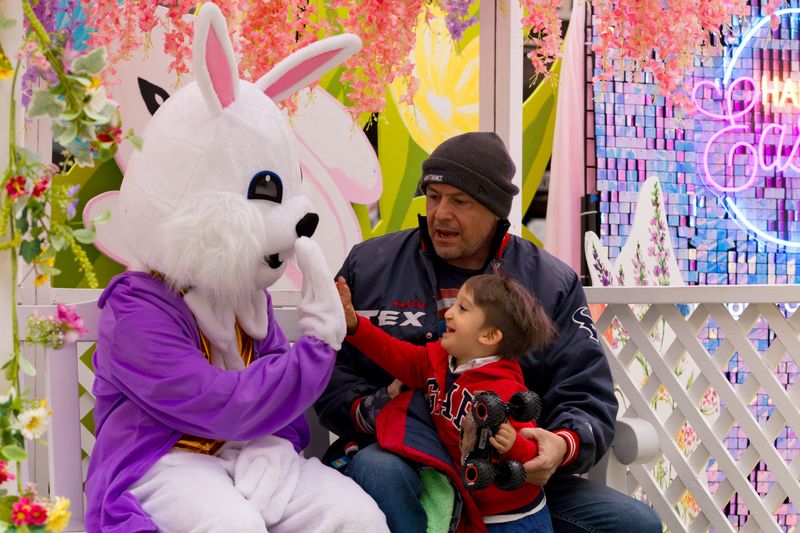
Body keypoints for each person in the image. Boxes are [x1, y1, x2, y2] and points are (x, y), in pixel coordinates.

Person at [314, 131, 662, 533]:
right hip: (403, 459)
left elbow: (586, 393)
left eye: (459, 201)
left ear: (496, 209)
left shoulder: (551, 283)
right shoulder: (369, 263)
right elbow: (328, 371)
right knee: (378, 469)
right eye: (434, 196)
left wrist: (560, 446)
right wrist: (379, 408)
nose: (441, 213)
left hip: (506, 472)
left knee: (635, 524)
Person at [338, 273, 558, 531]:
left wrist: (514, 445)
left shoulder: (505, 390)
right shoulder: (440, 360)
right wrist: (355, 326)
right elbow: (398, 355)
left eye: (463, 308)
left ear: (488, 336)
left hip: (514, 517)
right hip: (468, 505)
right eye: (454, 303)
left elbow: (534, 454)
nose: (449, 313)